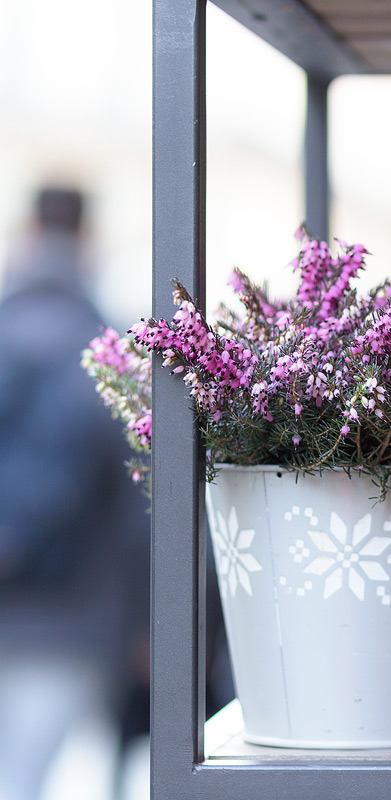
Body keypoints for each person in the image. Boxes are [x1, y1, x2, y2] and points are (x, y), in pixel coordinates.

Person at [0, 186, 149, 800]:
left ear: (27, 233)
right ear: (87, 240)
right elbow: (145, 502)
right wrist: (151, 621)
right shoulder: (109, 350)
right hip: (73, 617)